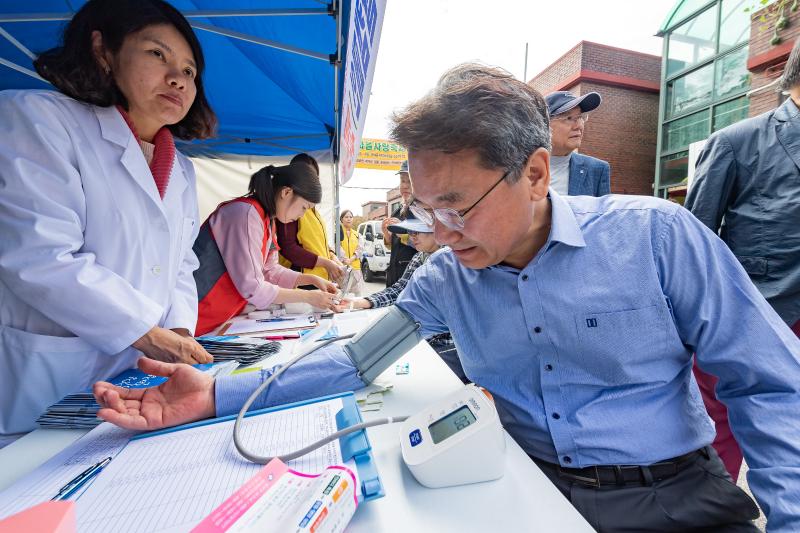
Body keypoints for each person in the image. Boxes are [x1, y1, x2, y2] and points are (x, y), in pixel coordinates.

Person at [94, 64, 800, 532]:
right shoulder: (445, 276)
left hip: (681, 497)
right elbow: (354, 362)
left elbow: (770, 382)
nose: (440, 232)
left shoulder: (658, 238)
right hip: (532, 489)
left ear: (533, 173)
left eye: (457, 206)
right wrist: (215, 393)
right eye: (427, 210)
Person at [0, 0, 217, 445]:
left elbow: (180, 265)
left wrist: (175, 335)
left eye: (190, 71)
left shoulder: (182, 170)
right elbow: (41, 257)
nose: (177, 77)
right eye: (157, 54)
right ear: (103, 51)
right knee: (39, 488)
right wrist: (147, 334)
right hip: (51, 376)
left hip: (139, 380)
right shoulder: (38, 119)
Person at [683, 36, 800, 482]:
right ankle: (711, 510)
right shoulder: (736, 142)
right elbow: (692, 243)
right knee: (719, 429)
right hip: (753, 312)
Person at [194, 164, 339, 335]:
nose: (302, 215)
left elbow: (270, 270)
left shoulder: (268, 221)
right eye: (304, 207)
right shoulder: (245, 214)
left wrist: (310, 279)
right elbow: (253, 287)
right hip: (197, 312)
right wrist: (308, 297)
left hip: (217, 317)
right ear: (286, 192)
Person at [338, 213, 467, 383]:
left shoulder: (454, 261)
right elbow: (401, 288)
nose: (412, 237)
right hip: (422, 338)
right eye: (410, 232)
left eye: (417, 232)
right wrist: (364, 302)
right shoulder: (419, 257)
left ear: (438, 230)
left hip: (448, 345)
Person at [276, 154, 344, 284]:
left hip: (318, 279)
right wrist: (325, 263)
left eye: (314, 176)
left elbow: (317, 242)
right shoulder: (289, 209)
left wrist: (331, 255)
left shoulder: (314, 212)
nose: (310, 180)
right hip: (300, 279)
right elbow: (287, 247)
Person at [544, 90, 610, 196]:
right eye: (569, 118)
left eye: (580, 117)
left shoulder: (597, 170)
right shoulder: (519, 168)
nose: (579, 126)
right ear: (545, 124)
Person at [382, 160, 417, 286]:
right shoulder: (397, 211)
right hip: (393, 274)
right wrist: (386, 234)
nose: (405, 186)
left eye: (410, 181)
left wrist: (403, 233)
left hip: (410, 277)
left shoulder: (422, 211)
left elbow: (429, 245)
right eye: (403, 181)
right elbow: (393, 245)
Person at [337, 209, 364, 297]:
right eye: (346, 217)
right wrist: (345, 260)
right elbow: (337, 247)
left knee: (358, 294)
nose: (349, 219)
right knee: (341, 294)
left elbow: (360, 249)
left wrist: (351, 259)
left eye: (350, 217)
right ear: (341, 219)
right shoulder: (337, 234)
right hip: (342, 268)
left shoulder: (357, 235)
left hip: (355, 268)